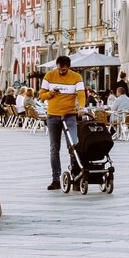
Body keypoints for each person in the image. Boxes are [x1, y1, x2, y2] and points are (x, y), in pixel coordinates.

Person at [39, 56, 86, 191]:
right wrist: (50, 93)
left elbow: (81, 94)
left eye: (64, 70)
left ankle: (76, 177)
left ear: (69, 67)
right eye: (59, 69)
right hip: (52, 115)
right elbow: (41, 95)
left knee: (73, 145)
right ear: (57, 66)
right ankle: (55, 179)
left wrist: (81, 107)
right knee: (54, 148)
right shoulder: (49, 75)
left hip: (70, 114)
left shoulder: (76, 77)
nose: (61, 72)